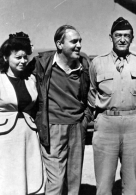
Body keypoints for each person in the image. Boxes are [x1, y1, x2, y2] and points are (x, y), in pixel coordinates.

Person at [29, 25, 92, 195]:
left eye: (80, 41)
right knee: (55, 182)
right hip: (53, 128)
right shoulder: (42, 63)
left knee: (73, 182)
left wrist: (85, 119)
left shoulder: (84, 65)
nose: (79, 45)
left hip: (77, 127)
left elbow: (91, 94)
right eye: (74, 41)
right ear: (59, 44)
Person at [88, 17, 136, 195]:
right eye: (118, 35)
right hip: (106, 123)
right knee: (104, 184)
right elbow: (91, 92)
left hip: (133, 125)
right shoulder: (97, 63)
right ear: (111, 37)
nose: (122, 39)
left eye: (126, 36)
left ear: (132, 38)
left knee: (131, 185)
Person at [0, 32, 44, 194]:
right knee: (8, 179)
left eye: (25, 57)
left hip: (28, 135)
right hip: (4, 138)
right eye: (17, 58)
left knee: (28, 177)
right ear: (5, 58)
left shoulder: (30, 79)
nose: (23, 61)